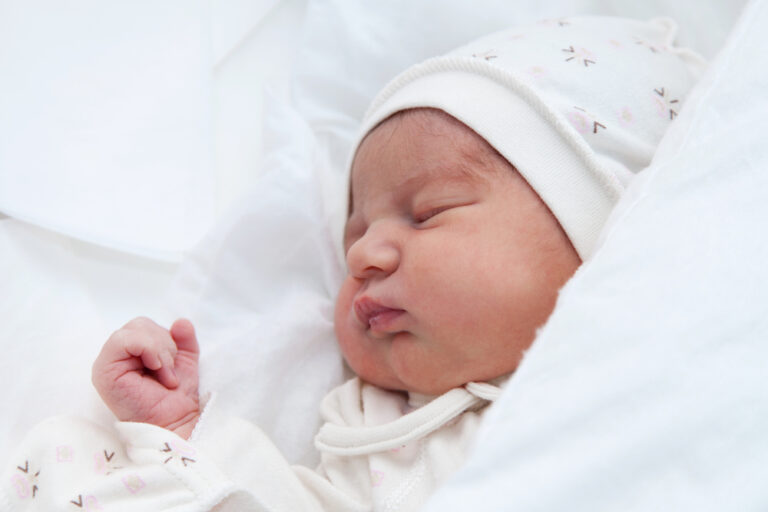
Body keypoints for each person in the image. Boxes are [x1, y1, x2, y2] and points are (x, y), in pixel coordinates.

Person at [2, 15, 705, 511]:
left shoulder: (632, 378)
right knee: (71, 453)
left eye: (426, 213)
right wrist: (185, 434)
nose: (364, 255)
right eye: (352, 237)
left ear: (595, 235)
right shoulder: (370, 425)